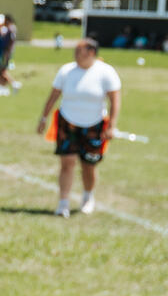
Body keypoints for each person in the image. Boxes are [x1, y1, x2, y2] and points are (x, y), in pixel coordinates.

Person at [36, 36, 122, 217]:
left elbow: (114, 100)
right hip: (68, 123)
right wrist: (43, 118)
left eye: (79, 51)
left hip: (94, 125)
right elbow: (54, 95)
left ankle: (88, 197)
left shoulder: (106, 72)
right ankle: (63, 203)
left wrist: (111, 125)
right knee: (67, 163)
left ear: (91, 52)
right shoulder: (66, 70)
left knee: (88, 165)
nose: (75, 54)